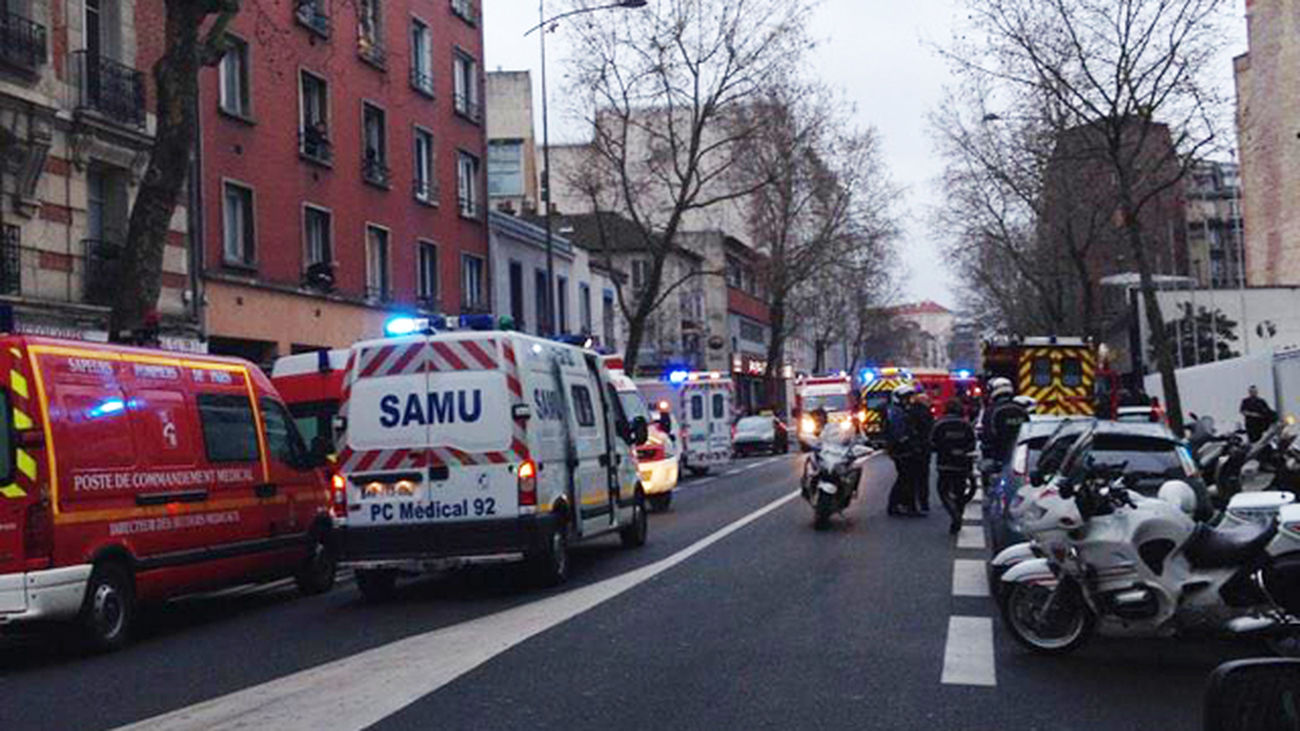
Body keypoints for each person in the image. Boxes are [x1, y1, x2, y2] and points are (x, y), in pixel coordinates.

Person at [932, 399, 977, 534]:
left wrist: (945, 450)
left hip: (945, 464)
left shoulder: (939, 424)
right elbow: (972, 443)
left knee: (943, 491)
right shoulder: (966, 425)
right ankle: (958, 514)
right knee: (960, 492)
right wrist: (961, 451)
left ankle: (954, 515)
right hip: (962, 464)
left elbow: (932, 443)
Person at [980, 377, 1030, 473]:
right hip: (1020, 459)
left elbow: (987, 436)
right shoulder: (1021, 409)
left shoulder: (991, 411)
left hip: (999, 459)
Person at [885, 384, 918, 516]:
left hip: (901, 450)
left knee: (906, 477)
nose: (908, 401)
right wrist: (908, 441)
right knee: (906, 477)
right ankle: (898, 505)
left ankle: (902, 504)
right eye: (906, 398)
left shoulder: (899, 410)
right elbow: (899, 432)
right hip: (901, 450)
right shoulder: (896, 412)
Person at [908, 391, 936, 514]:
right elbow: (929, 430)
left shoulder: (910, 411)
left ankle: (912, 504)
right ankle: (923, 503)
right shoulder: (925, 413)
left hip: (913, 449)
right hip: (923, 448)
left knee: (913, 478)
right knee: (923, 477)